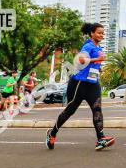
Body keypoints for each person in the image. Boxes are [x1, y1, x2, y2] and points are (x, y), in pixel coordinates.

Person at [46, 22, 115, 151]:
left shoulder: (99, 48)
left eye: (103, 33)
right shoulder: (88, 46)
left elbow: (93, 64)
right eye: (99, 33)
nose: (102, 35)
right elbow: (81, 60)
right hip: (79, 83)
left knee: (97, 109)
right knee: (70, 111)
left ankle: (101, 139)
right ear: (92, 33)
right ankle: (52, 133)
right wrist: (97, 60)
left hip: (93, 84)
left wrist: (99, 69)